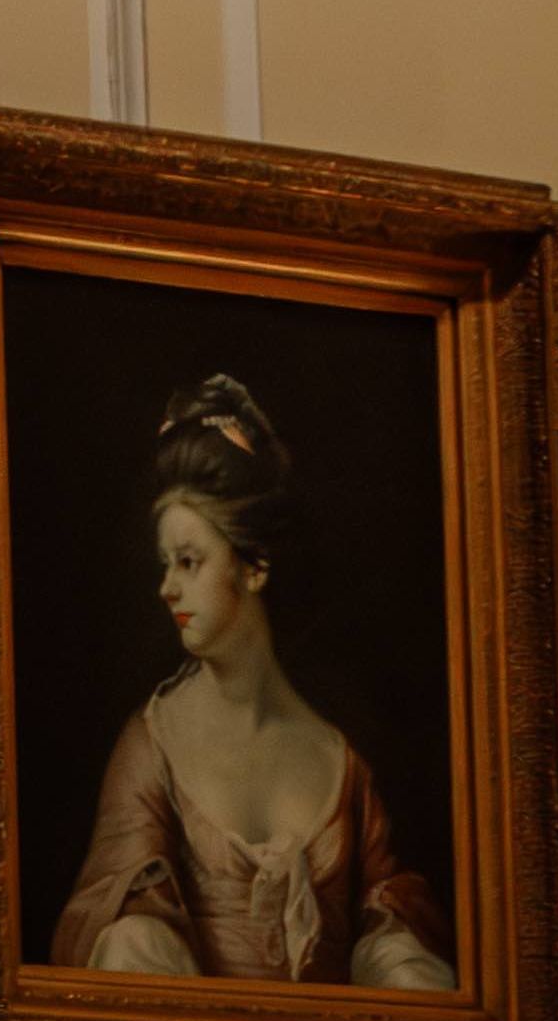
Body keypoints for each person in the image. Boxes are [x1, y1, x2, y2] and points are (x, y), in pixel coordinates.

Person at [52, 372, 456, 988]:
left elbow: (386, 922)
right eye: (165, 565)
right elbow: (122, 927)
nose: (167, 588)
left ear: (255, 567)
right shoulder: (152, 744)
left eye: (189, 562)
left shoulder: (342, 761)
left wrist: (398, 963)